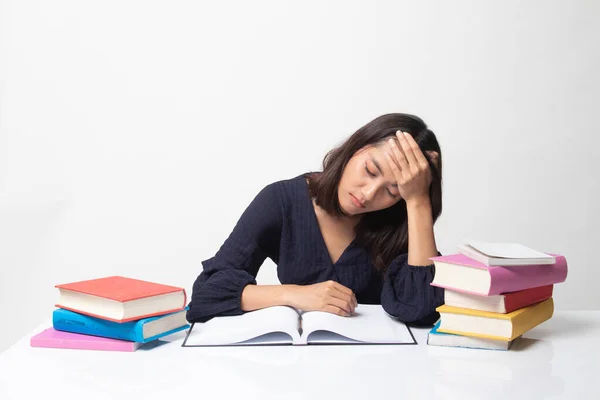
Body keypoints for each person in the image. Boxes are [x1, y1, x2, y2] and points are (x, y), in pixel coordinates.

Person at [186, 113, 444, 326]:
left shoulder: (399, 221)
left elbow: (422, 311)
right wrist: (294, 294)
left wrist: (418, 202)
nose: (368, 194)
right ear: (357, 147)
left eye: (392, 191)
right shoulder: (281, 201)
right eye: (370, 170)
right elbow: (206, 294)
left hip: (373, 371)